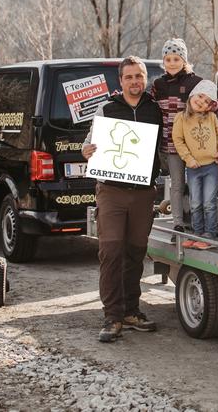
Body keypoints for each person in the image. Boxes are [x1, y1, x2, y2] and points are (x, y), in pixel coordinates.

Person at [82, 56, 162, 343]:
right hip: (112, 192)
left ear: (145, 78)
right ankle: (112, 317)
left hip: (143, 193)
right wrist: (86, 149)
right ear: (121, 81)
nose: (135, 82)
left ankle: (131, 311)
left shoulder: (155, 108)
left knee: (135, 253)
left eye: (139, 76)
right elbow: (89, 141)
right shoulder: (107, 107)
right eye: (129, 77)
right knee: (111, 252)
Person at [151, 38, 218, 236]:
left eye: (176, 58)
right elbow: (150, 106)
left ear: (184, 60)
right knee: (177, 183)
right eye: (168, 59)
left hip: (197, 144)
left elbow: (211, 102)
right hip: (171, 144)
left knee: (198, 184)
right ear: (163, 61)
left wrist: (216, 106)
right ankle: (178, 223)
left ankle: (202, 224)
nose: (172, 63)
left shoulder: (195, 83)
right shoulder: (158, 85)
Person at [172, 80, 218, 248]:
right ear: (192, 95)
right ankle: (197, 233)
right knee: (195, 203)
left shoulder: (211, 118)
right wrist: (189, 159)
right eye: (201, 96)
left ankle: (209, 235)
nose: (202, 102)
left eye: (207, 102)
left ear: (210, 107)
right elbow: (178, 140)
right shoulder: (181, 118)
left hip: (211, 166)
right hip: (193, 167)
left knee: (209, 203)